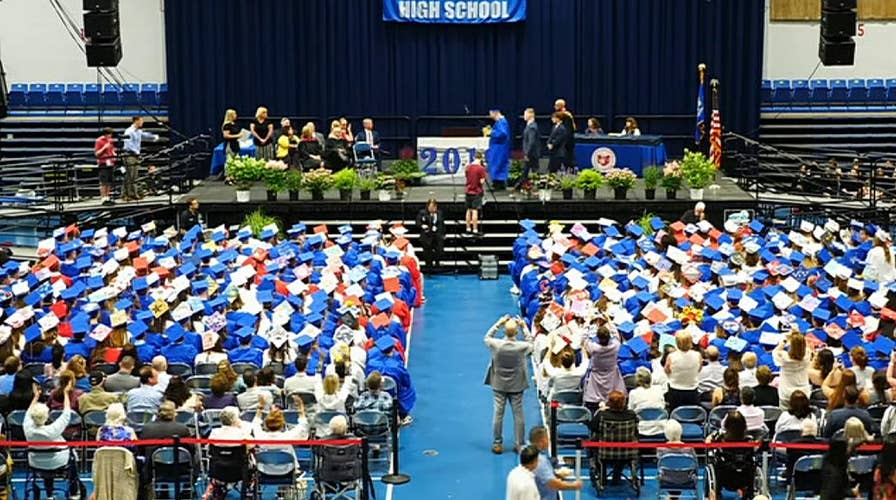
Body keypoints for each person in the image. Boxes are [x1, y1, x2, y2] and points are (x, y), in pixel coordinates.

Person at [484, 315, 532, 454]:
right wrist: (524, 327)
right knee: (519, 414)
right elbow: (532, 344)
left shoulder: (496, 345)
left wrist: (498, 323)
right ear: (516, 332)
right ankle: (520, 444)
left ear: (504, 332)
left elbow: (487, 337)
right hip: (517, 384)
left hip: (499, 384)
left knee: (498, 413)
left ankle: (497, 443)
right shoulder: (521, 347)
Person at [24, 379, 76, 497]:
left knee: (47, 459)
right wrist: (66, 394)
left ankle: (49, 494)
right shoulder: (53, 430)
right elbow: (66, 413)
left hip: (35, 462)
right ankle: (74, 491)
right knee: (73, 457)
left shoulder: (27, 428)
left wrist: (36, 397)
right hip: (57, 462)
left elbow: (28, 412)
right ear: (46, 416)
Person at [529, 426, 583, 498]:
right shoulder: (541, 462)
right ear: (543, 441)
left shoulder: (529, 454)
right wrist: (574, 485)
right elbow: (553, 484)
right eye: (548, 439)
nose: (549, 441)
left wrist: (556, 475)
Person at [583, 326, 625, 412]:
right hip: (612, 376)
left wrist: (587, 324)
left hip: (597, 378)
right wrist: (609, 320)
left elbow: (583, 339)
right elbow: (616, 335)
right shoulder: (616, 346)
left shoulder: (593, 348)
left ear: (598, 338)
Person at [122, 116, 159, 201]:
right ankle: (127, 194)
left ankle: (133, 193)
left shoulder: (138, 131)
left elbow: (145, 135)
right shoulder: (129, 131)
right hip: (129, 155)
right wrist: (136, 152)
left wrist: (154, 136)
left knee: (134, 175)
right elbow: (128, 144)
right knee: (130, 175)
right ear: (136, 121)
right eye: (141, 121)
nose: (142, 122)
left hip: (135, 155)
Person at [665, 331, 702, 410]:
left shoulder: (671, 356)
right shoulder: (698, 355)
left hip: (675, 391)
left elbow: (667, 371)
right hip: (692, 391)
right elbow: (699, 369)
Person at [773, 333, 811, 409]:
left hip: (786, 394)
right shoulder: (807, 355)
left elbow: (775, 351)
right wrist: (798, 335)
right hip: (804, 393)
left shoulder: (784, 357)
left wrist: (785, 339)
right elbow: (807, 347)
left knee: (785, 416)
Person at [627, 367, 666, 436]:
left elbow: (630, 411)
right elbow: (663, 406)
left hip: (642, 428)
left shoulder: (633, 393)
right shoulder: (659, 389)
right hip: (659, 427)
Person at [656, 420, 698, 485]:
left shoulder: (661, 449)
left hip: (667, 479)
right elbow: (695, 465)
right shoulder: (689, 448)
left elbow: (660, 467)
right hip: (686, 479)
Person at [415, 199, 445, 270]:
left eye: (434, 207)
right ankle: (429, 267)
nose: (432, 209)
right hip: (427, 236)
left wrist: (443, 234)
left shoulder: (439, 213)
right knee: (427, 253)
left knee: (439, 251)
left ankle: (437, 264)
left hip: (437, 236)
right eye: (431, 207)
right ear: (428, 206)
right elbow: (417, 222)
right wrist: (423, 226)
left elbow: (442, 224)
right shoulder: (422, 213)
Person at [486, 108, 510, 190]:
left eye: (491, 114)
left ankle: (498, 184)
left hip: (499, 148)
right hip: (498, 148)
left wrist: (491, 132)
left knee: (497, 164)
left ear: (495, 113)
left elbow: (503, 134)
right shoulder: (500, 122)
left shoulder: (501, 122)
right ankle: (498, 184)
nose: (490, 116)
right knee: (498, 165)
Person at [516, 108, 540, 190]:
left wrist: (527, 153)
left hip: (531, 153)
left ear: (530, 115)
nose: (524, 116)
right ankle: (520, 185)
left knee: (532, 170)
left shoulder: (532, 127)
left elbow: (531, 142)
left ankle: (521, 185)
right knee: (526, 170)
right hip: (530, 153)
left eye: (525, 114)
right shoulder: (529, 126)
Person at [464, 152, 488, 235]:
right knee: (475, 211)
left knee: (468, 210)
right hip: (476, 192)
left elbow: (467, 177)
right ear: (481, 158)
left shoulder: (468, 167)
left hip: (468, 191)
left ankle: (467, 228)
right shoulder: (481, 168)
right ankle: (475, 229)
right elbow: (482, 181)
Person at [94, 127, 117, 205]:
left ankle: (108, 196)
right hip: (103, 162)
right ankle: (103, 197)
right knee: (104, 181)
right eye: (109, 135)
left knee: (109, 181)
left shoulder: (110, 140)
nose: (110, 136)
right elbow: (97, 153)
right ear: (105, 134)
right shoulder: (98, 141)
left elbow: (112, 150)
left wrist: (114, 154)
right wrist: (104, 148)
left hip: (110, 162)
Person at [553, 99, 576, 167]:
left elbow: (568, 130)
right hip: (562, 142)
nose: (554, 107)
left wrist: (563, 142)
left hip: (565, 143)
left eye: (556, 105)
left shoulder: (566, 116)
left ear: (560, 106)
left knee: (567, 160)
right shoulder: (562, 115)